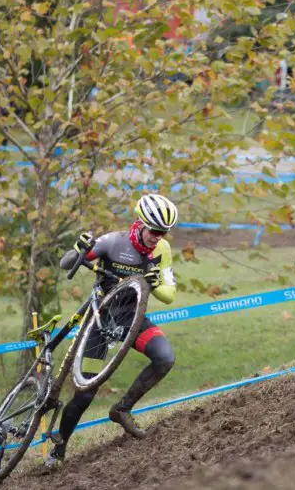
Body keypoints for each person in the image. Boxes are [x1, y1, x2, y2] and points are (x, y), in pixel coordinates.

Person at [45, 194, 179, 469]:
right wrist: (77, 249)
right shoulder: (113, 241)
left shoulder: (162, 249)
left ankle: (122, 409)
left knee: (165, 358)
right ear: (140, 224)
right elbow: (67, 264)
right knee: (85, 392)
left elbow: (169, 295)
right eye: (154, 230)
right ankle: (59, 447)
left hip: (133, 318)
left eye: (164, 231)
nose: (158, 236)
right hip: (101, 320)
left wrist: (154, 284)